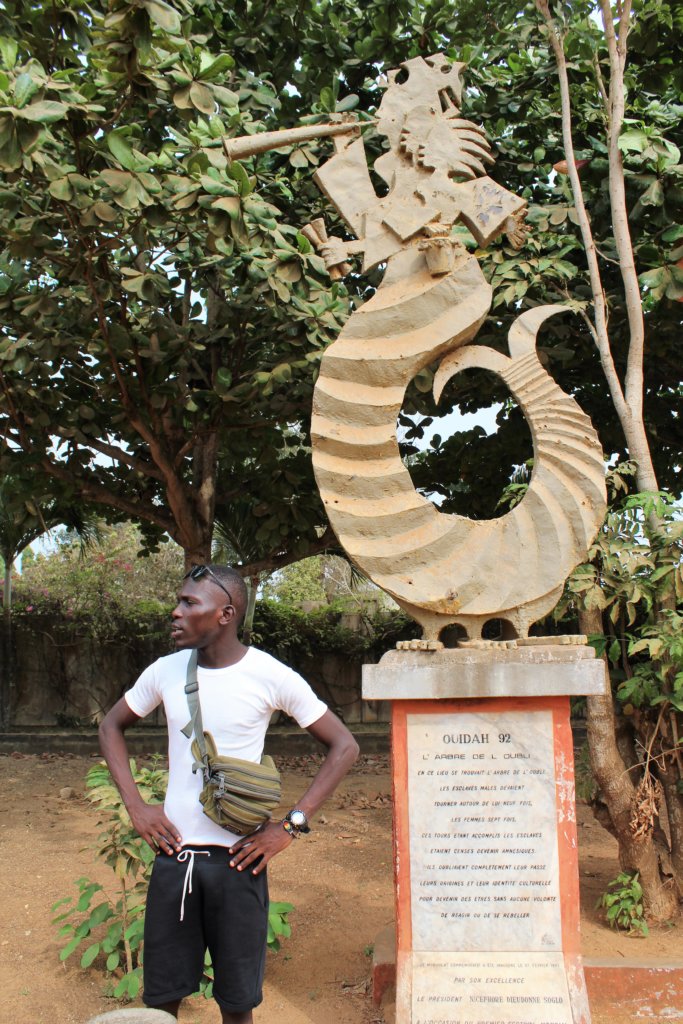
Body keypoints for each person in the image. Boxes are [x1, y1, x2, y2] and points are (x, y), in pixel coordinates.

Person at [99, 563, 360, 1023]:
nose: (175, 612)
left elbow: (344, 746)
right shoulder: (165, 671)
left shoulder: (269, 675)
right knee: (162, 1001)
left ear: (225, 613)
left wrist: (289, 827)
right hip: (174, 861)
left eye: (188, 603)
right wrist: (137, 807)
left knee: (238, 1006)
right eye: (178, 601)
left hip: (239, 864)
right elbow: (111, 726)